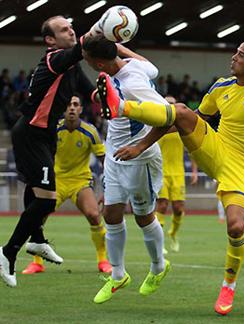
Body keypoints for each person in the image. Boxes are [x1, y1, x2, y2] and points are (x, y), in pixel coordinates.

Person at [96, 40, 244, 315]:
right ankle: (121, 107)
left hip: (241, 168)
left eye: (240, 55)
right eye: (235, 52)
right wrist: (141, 144)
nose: (234, 57)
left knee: (236, 227)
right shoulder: (221, 86)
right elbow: (187, 119)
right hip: (213, 147)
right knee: (180, 110)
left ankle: (229, 284)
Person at [0, 15, 101, 287]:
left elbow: (89, 91)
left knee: (35, 190)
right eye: (63, 30)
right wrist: (102, 28)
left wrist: (105, 101)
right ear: (50, 40)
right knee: (45, 200)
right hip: (31, 133)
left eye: (71, 28)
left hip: (45, 135)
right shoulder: (54, 59)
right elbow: (81, 48)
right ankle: (8, 251)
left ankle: (38, 240)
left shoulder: (71, 68)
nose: (70, 31)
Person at [81, 35, 170, 304]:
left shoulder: (134, 83)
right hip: (114, 155)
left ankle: (158, 266)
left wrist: (140, 147)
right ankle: (118, 275)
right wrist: (118, 47)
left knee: (143, 217)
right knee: (110, 213)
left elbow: (168, 116)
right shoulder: (132, 64)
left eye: (86, 59)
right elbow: (150, 66)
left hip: (138, 157)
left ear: (97, 63)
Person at [21, 95, 111, 275]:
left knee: (94, 215)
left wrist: (109, 189)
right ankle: (37, 262)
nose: (72, 108)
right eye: (68, 105)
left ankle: (103, 260)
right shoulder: (54, 129)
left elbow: (105, 161)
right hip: (56, 180)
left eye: (76, 105)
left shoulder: (90, 132)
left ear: (81, 109)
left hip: (80, 180)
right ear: (64, 108)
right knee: (38, 216)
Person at [155, 95, 198, 252]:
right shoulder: (156, 127)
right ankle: (159, 244)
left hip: (178, 173)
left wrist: (194, 171)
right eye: (167, 104)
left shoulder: (182, 128)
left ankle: (173, 233)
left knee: (178, 208)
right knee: (162, 205)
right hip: (160, 173)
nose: (171, 106)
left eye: (173, 104)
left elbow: (192, 149)